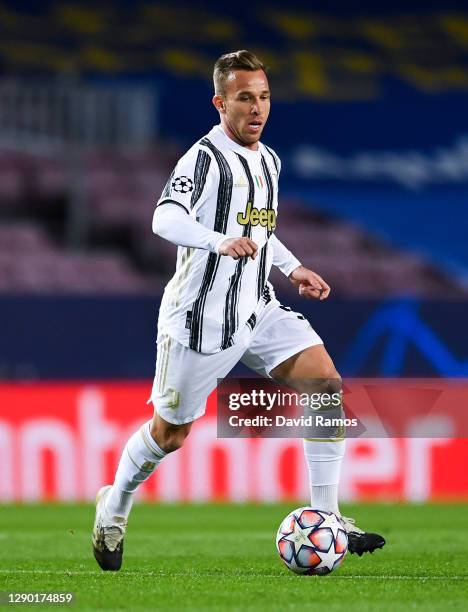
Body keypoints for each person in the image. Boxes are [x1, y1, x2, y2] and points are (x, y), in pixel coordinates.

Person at [92, 50, 385, 571]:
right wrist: (215, 241)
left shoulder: (269, 160)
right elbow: (164, 218)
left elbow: (262, 231)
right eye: (245, 98)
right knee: (170, 434)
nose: (257, 108)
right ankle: (113, 506)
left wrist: (292, 267)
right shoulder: (201, 159)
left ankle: (329, 516)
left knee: (325, 383)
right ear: (220, 102)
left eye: (265, 97)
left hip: (257, 307)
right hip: (201, 321)